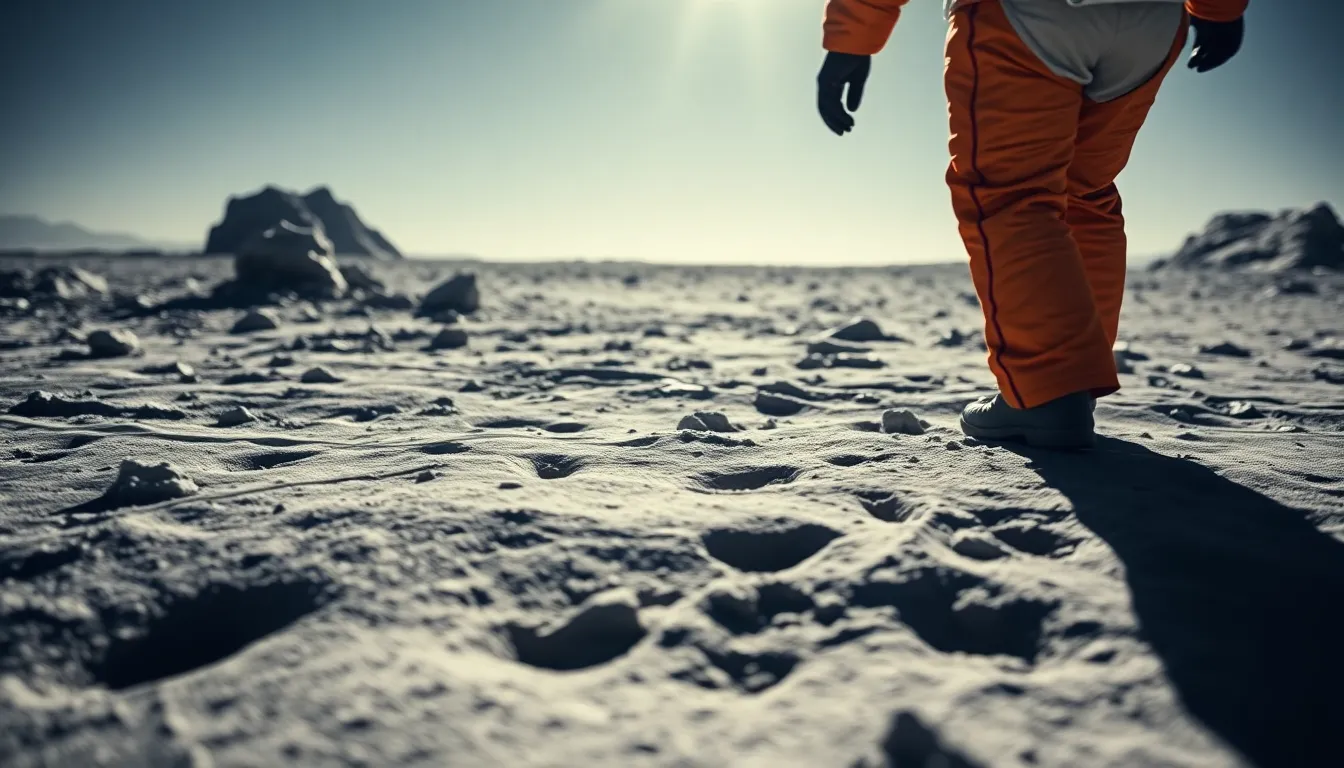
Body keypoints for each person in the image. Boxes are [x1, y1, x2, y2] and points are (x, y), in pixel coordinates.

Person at [816, 0, 1247, 449]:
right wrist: (1220, 9)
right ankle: (1069, 388)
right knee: (1084, 196)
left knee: (1014, 195)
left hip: (1026, 13)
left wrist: (853, 36)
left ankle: (1048, 393)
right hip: (1152, 21)